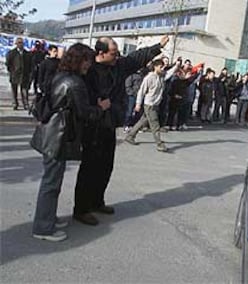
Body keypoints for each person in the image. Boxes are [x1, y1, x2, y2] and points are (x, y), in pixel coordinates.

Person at [73, 36, 169, 226]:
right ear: (101, 53)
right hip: (93, 123)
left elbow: (136, 57)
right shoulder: (88, 67)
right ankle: (82, 209)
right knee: (89, 169)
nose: (117, 56)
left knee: (106, 166)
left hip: (110, 122)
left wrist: (158, 46)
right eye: (113, 53)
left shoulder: (118, 66)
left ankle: (97, 201)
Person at [32, 43, 110, 242]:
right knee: (51, 183)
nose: (89, 65)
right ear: (78, 60)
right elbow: (85, 113)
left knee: (52, 181)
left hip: (51, 133)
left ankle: (47, 218)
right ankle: (43, 227)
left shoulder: (61, 75)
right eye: (86, 61)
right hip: (57, 137)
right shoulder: (74, 83)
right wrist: (101, 108)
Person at [124, 59, 171, 151]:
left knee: (142, 121)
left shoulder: (161, 76)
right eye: (161, 67)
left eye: (163, 67)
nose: (162, 68)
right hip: (150, 104)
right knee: (155, 124)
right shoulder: (149, 78)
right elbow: (141, 91)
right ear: (155, 67)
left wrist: (177, 66)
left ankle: (130, 136)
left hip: (155, 104)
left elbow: (169, 74)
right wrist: (138, 104)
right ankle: (159, 144)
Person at [5, 37, 32, 110]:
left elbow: (30, 65)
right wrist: (12, 71)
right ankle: (15, 104)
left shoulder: (27, 54)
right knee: (14, 90)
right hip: (14, 75)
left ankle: (26, 104)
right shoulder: (11, 53)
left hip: (24, 75)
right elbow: (8, 63)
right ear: (16, 44)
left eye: (22, 43)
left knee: (24, 91)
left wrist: (30, 73)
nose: (20, 44)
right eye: (19, 43)